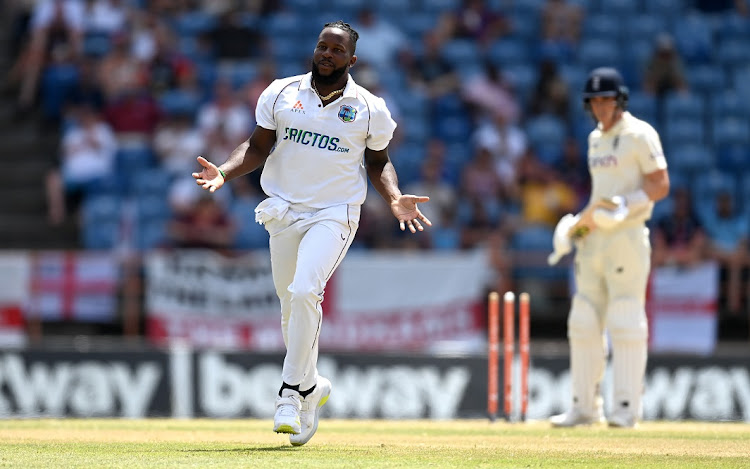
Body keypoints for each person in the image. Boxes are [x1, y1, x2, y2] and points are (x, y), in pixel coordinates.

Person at [192, 21, 431, 445]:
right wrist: (224, 172)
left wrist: (393, 197)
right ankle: (310, 385)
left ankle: (288, 394)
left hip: (335, 213)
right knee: (291, 308)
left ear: (351, 60)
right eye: (322, 46)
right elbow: (257, 147)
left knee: (305, 292)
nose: (327, 54)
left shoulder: (370, 107)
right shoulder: (281, 92)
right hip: (284, 211)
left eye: (337, 50)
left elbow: (378, 163)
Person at [548, 67, 670, 428]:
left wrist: (626, 205)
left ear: (620, 100)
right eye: (595, 101)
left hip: (628, 237)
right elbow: (600, 198)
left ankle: (626, 409)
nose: (601, 107)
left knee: (625, 317)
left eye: (607, 99)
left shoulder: (640, 134)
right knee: (583, 319)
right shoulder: (594, 140)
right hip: (596, 241)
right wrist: (576, 227)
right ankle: (584, 407)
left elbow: (660, 184)